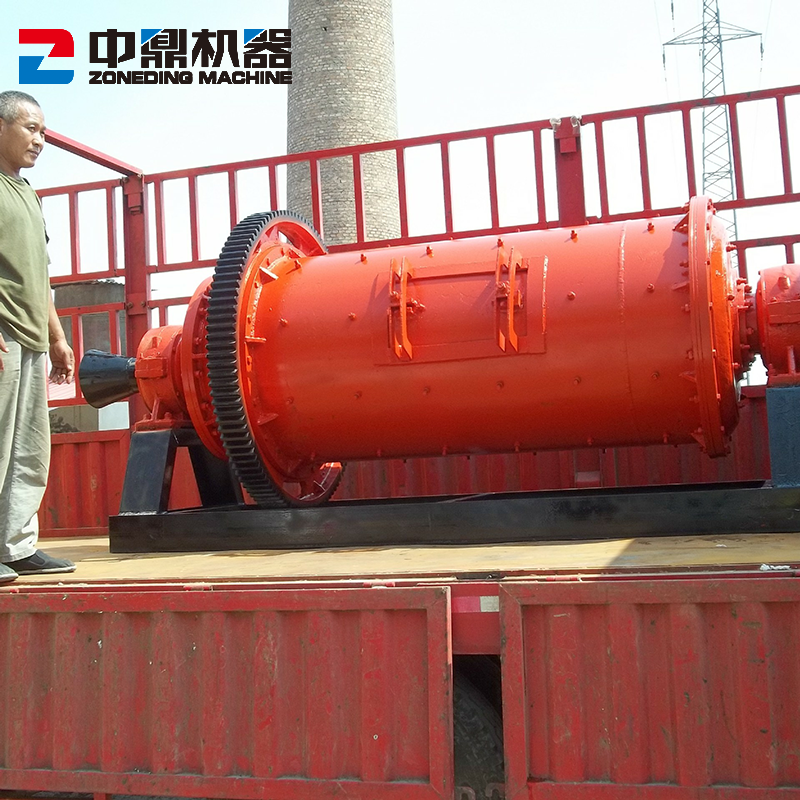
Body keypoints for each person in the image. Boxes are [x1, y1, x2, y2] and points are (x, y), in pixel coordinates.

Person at [0, 90, 76, 582]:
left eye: (44, 131)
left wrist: (58, 338)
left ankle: (16, 546)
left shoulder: (28, 193)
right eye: (31, 128)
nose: (40, 140)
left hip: (30, 338)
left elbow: (40, 276)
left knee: (28, 449)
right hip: (3, 333)